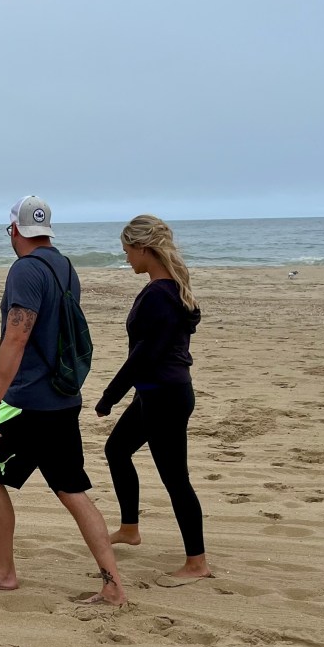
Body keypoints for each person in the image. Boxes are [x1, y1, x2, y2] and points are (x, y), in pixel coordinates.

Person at [0, 195, 128, 606]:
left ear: (15, 230)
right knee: (72, 490)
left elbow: (17, 336)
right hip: (63, 398)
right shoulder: (65, 267)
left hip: (28, 403)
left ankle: (4, 572)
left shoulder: (25, 270)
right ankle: (113, 584)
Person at [95, 215, 212, 581]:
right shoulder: (167, 289)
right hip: (154, 393)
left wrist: (109, 396)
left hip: (166, 396)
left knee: (176, 479)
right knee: (116, 450)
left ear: (144, 248)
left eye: (128, 251)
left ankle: (197, 562)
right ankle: (130, 529)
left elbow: (144, 355)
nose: (126, 258)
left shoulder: (159, 295)